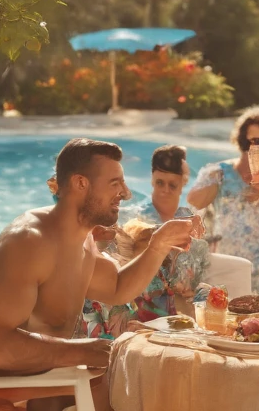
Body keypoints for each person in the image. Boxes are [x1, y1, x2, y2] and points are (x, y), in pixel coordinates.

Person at [0, 138, 197, 411]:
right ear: (80, 183)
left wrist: (159, 244)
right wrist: (88, 350)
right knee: (129, 399)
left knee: (154, 382)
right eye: (116, 183)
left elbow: (118, 289)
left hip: (36, 389)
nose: (127, 193)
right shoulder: (29, 240)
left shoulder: (81, 241)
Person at [83, 144, 210, 336]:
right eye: (160, 183)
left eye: (172, 185)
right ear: (151, 180)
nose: (165, 190)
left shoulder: (188, 221)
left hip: (177, 307)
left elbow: (195, 278)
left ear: (183, 183)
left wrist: (191, 291)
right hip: (136, 301)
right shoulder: (126, 217)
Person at [187, 110, 259, 290]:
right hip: (226, 258)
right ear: (242, 141)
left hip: (258, 261)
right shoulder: (220, 171)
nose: (257, 148)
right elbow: (194, 201)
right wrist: (216, 181)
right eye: (253, 141)